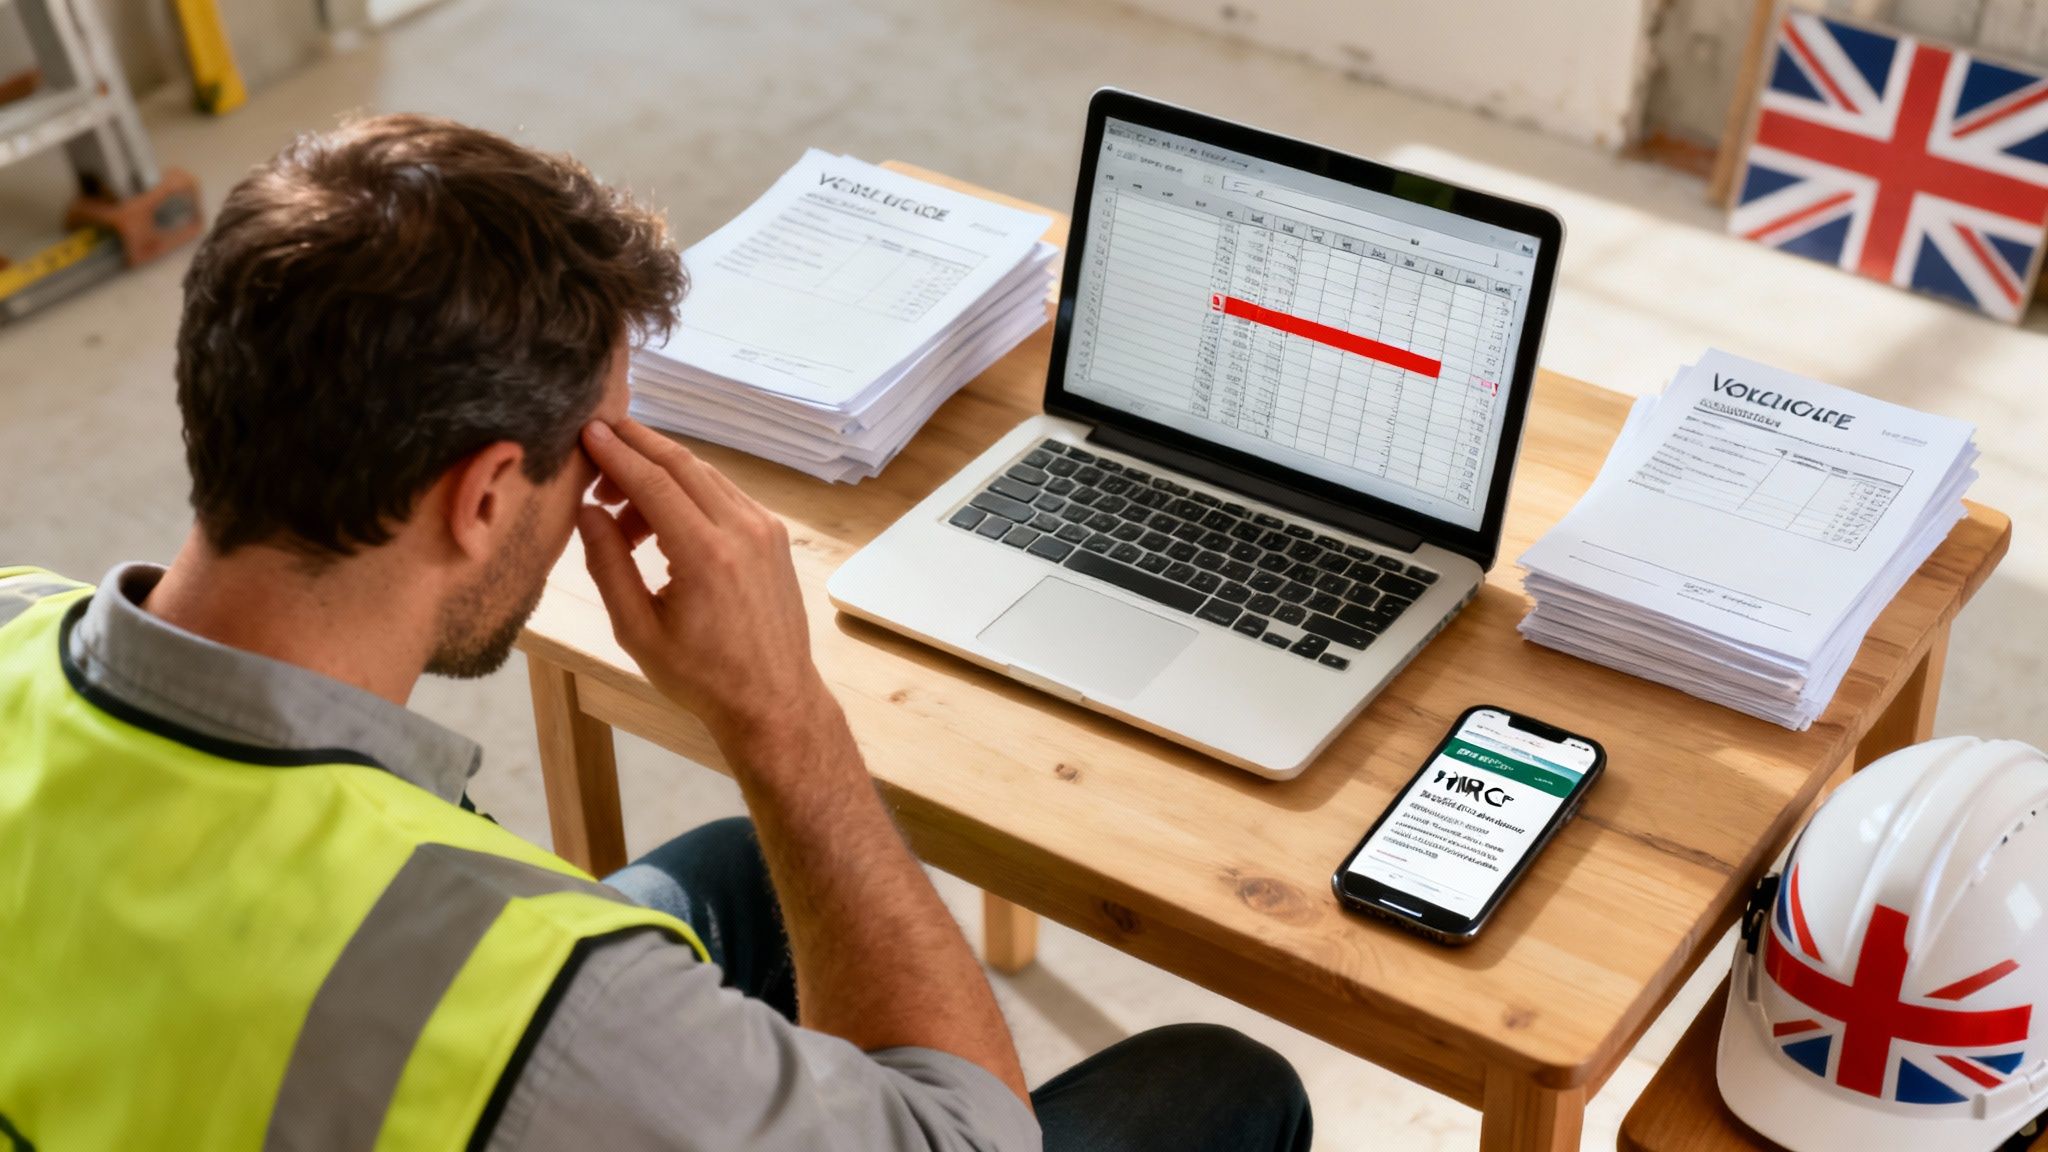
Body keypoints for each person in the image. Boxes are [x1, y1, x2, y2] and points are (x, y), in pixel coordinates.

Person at [0, 114, 1311, 1151]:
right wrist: (782, 717)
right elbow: (964, 1138)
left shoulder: (13, 625)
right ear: (484, 497)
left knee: (748, 876)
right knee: (1216, 1083)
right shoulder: (529, 993)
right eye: (597, 450)